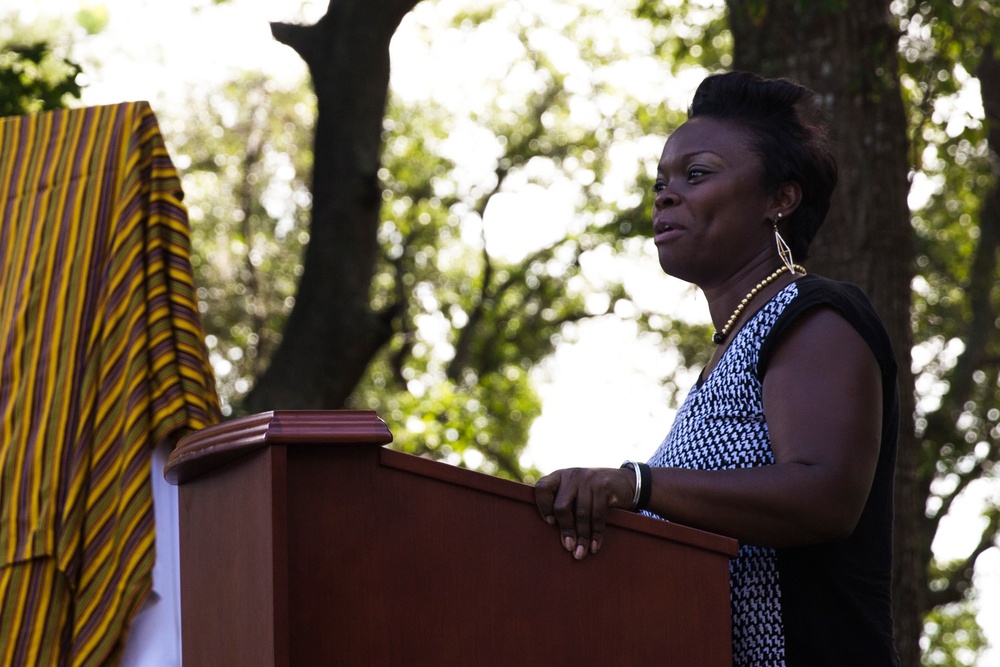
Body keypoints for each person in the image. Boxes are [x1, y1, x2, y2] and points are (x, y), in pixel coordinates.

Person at [534, 71, 900, 666]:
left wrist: (635, 485)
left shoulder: (817, 315)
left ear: (780, 199)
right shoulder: (728, 352)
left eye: (696, 174)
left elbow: (825, 496)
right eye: (661, 181)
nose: (665, 195)